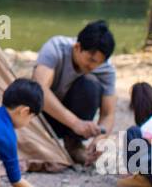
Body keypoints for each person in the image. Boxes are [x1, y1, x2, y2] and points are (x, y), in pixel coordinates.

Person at [31, 20, 117, 165]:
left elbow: (108, 114)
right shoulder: (55, 48)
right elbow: (40, 91)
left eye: (98, 63)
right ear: (77, 47)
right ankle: (39, 143)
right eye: (90, 60)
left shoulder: (106, 70)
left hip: (73, 124)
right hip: (42, 116)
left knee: (91, 84)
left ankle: (73, 143)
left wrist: (101, 138)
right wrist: (75, 123)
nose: (93, 66)